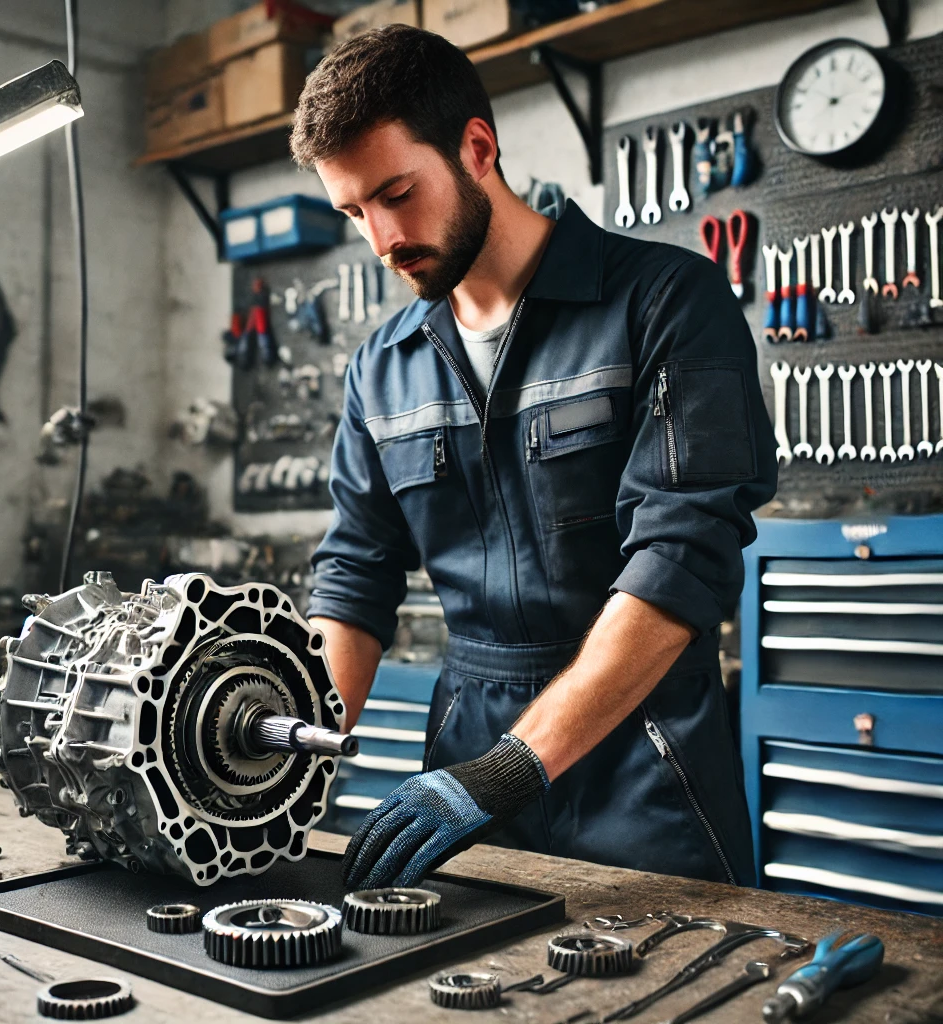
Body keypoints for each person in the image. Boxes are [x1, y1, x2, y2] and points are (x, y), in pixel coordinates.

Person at [290, 25, 777, 892]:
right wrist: (289, 757)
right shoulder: (383, 365)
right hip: (463, 760)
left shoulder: (665, 302)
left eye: (397, 193)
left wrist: (514, 768)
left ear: (477, 148)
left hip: (646, 759)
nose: (380, 239)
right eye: (354, 211)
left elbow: (680, 563)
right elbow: (357, 577)